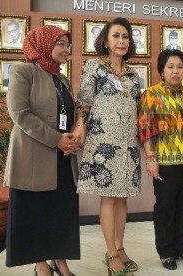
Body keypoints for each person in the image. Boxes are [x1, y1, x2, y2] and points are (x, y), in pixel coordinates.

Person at [4, 25, 80, 276]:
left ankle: (60, 261)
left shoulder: (63, 79)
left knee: (61, 212)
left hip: (63, 158)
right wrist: (57, 139)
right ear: (45, 44)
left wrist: (72, 138)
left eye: (68, 45)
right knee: (35, 213)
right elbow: (20, 114)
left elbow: (70, 115)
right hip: (32, 158)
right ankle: (40, 264)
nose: (66, 49)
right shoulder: (23, 72)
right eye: (60, 43)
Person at [73, 17, 140, 276]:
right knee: (109, 196)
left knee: (123, 197)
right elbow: (84, 100)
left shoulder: (134, 74)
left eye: (125, 36)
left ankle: (120, 248)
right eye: (116, 36)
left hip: (127, 143)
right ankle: (111, 254)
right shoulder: (95, 67)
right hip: (104, 142)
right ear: (105, 40)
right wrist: (80, 125)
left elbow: (136, 107)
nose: (121, 41)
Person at [138, 49, 183, 270]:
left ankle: (182, 248)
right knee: (165, 207)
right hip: (166, 162)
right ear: (162, 71)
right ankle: (166, 252)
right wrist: (151, 158)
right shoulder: (151, 94)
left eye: (179, 67)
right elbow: (145, 129)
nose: (175, 71)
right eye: (170, 67)